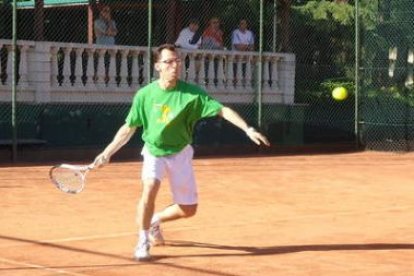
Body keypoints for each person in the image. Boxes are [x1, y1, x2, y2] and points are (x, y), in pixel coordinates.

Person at [92, 44, 270, 262]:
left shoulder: (191, 94)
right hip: (153, 151)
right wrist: (107, 153)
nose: (174, 66)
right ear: (158, 66)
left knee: (188, 209)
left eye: (177, 61)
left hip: (181, 153)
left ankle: (155, 220)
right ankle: (143, 241)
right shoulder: (145, 95)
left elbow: (222, 110)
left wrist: (247, 128)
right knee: (150, 188)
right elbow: (129, 128)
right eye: (168, 62)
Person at [231, 19, 254, 86]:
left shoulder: (250, 33)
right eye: (241, 23)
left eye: (244, 23)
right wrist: (247, 46)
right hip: (236, 59)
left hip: (247, 59)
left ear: (246, 25)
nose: (243, 25)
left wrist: (243, 46)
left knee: (245, 76)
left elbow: (252, 47)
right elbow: (237, 47)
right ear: (238, 25)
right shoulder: (235, 33)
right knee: (235, 76)